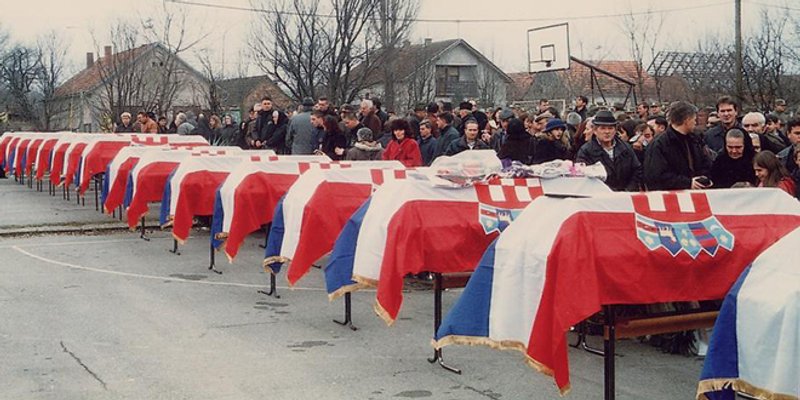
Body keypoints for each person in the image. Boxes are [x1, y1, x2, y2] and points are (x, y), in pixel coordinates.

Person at [644, 101, 712, 190]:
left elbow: (705, 162)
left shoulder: (695, 139)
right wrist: (687, 183)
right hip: (672, 199)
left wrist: (704, 179)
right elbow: (655, 176)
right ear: (686, 120)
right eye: (694, 119)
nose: (695, 123)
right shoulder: (659, 144)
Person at [575, 110, 642, 191]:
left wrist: (628, 190)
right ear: (595, 131)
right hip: (601, 197)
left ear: (615, 130)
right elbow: (583, 176)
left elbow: (636, 170)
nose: (607, 132)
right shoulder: (586, 151)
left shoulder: (625, 148)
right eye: (602, 128)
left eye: (610, 128)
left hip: (625, 196)